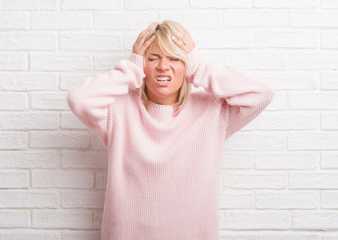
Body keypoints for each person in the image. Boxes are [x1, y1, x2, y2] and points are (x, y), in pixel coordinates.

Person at [66, 20, 275, 240]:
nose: (163, 66)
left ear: (187, 66)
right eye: (153, 58)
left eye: (175, 59)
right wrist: (131, 69)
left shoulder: (213, 111)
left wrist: (197, 67)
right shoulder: (117, 110)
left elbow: (263, 93)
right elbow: (79, 99)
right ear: (142, 65)